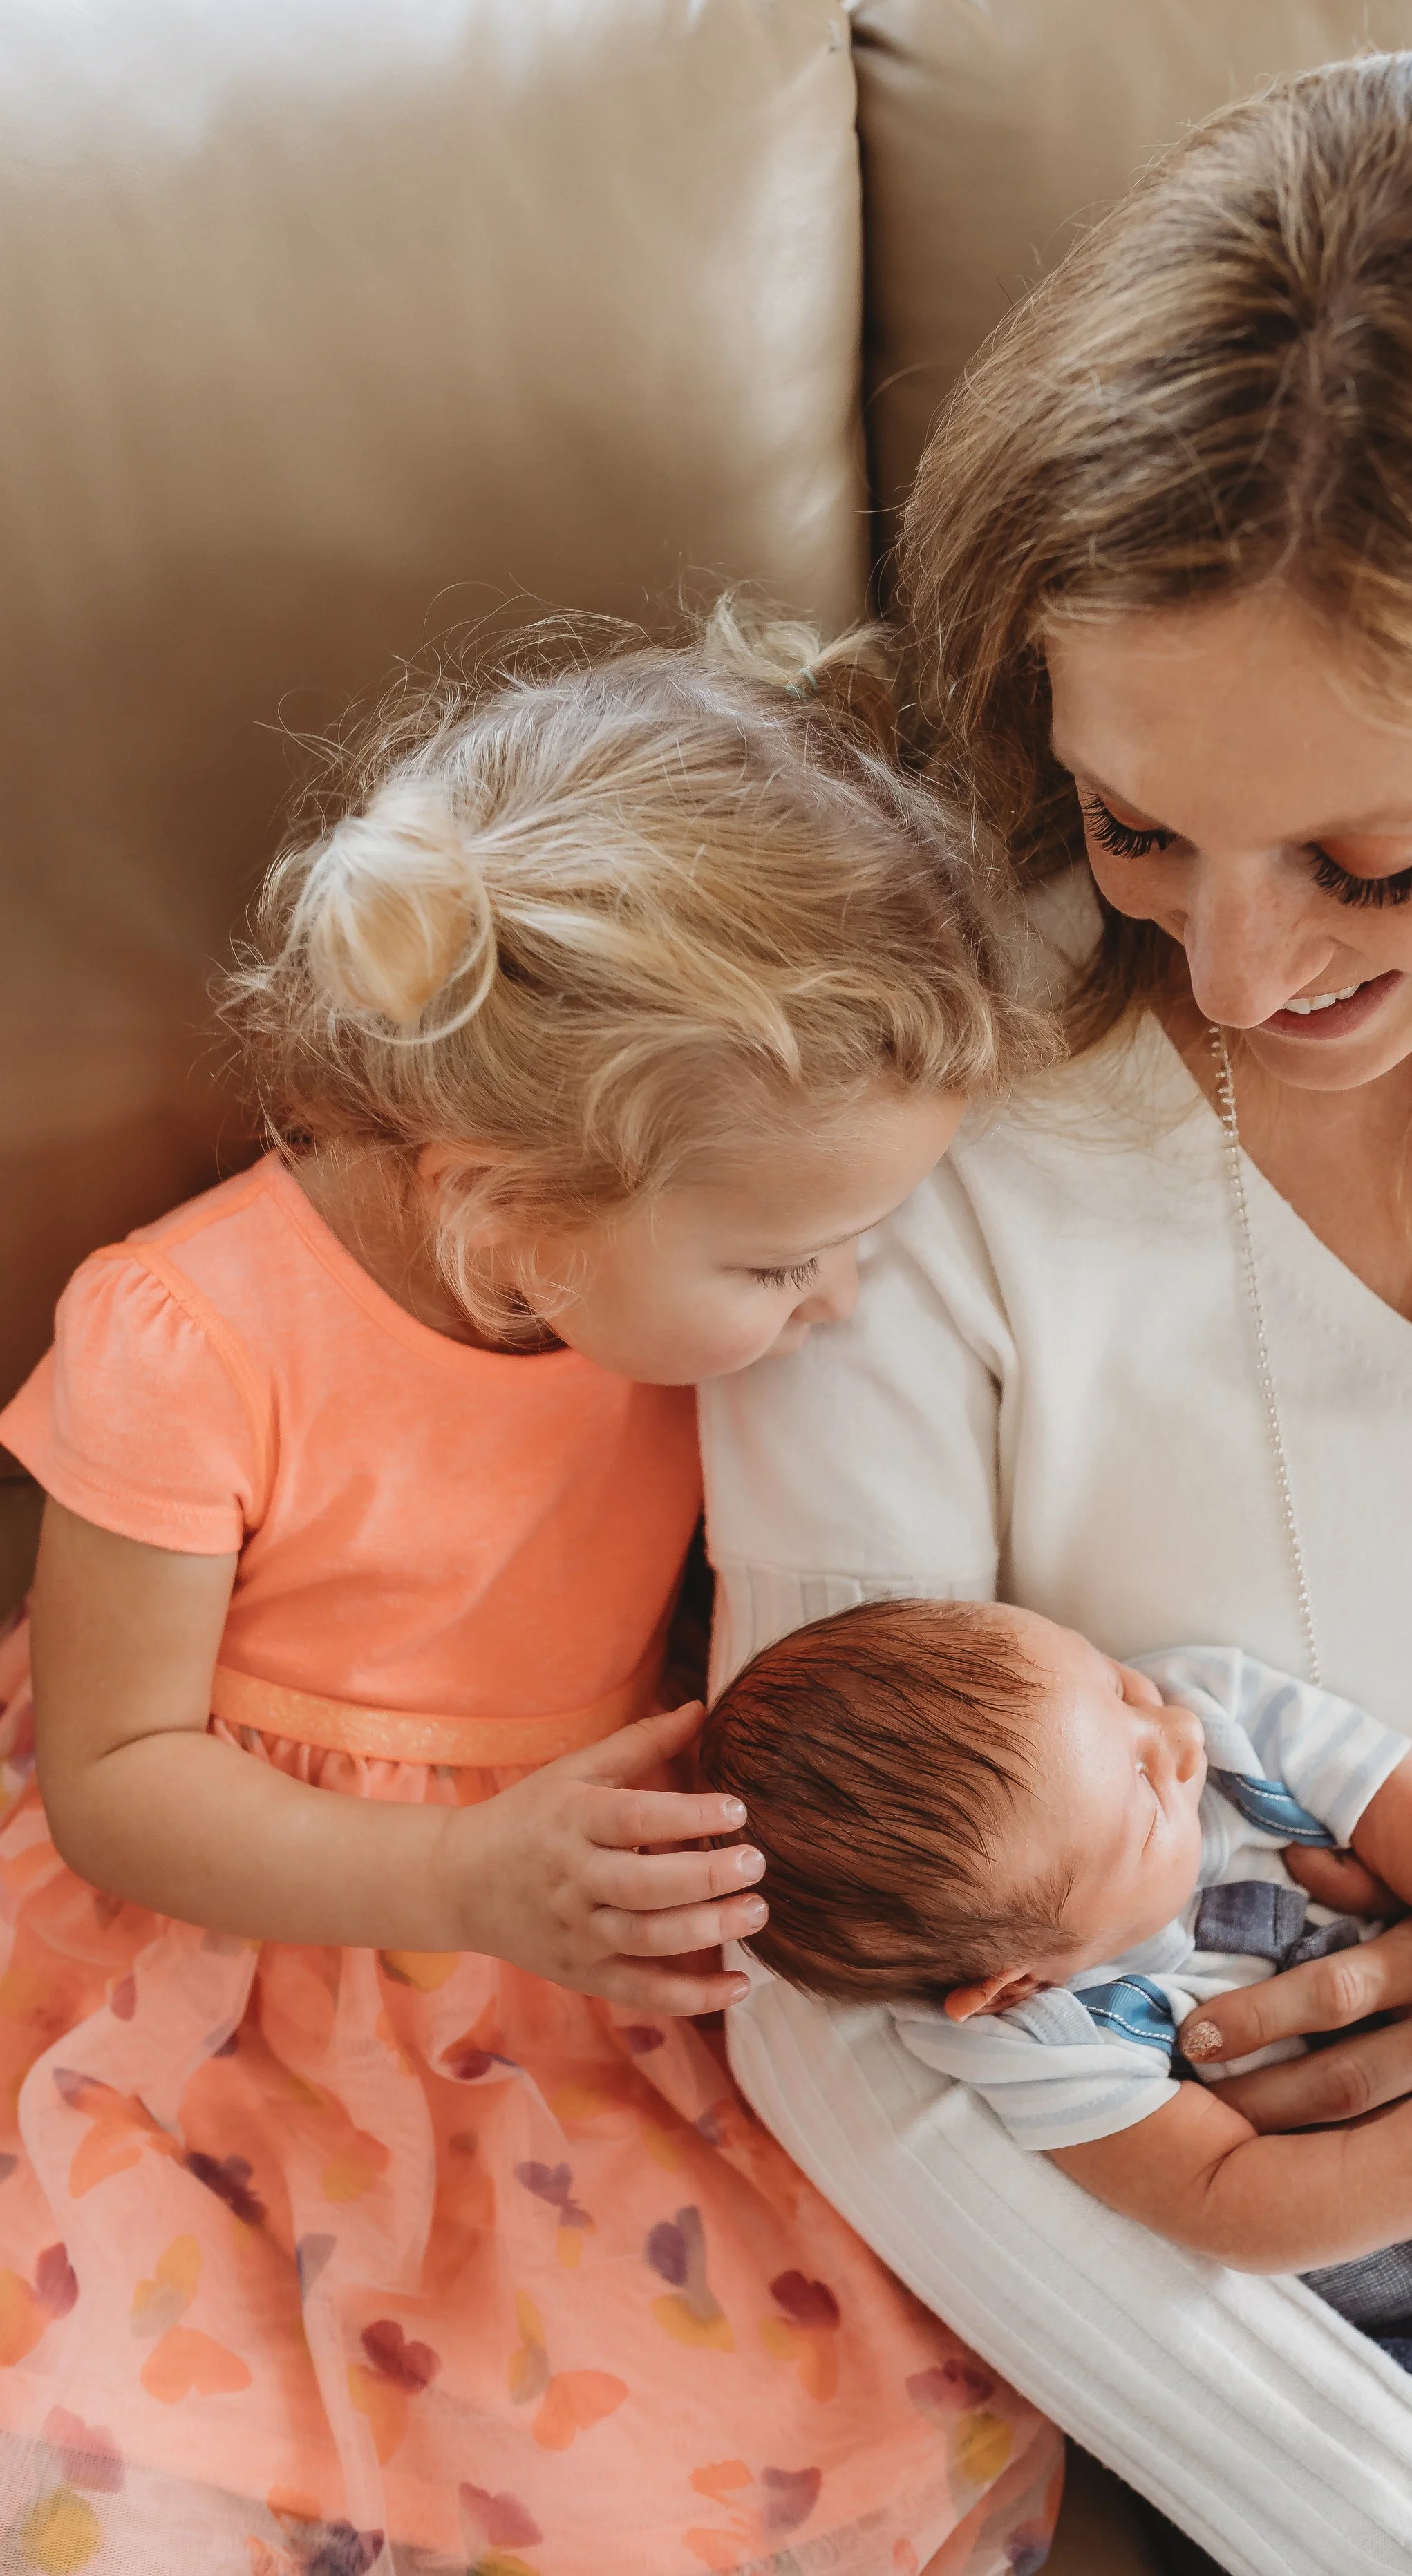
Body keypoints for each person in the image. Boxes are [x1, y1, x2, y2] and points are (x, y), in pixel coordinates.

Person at [697, 44, 1412, 2576]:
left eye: (1383, 860)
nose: (1246, 967)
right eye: (1143, 821)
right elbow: (834, 1989)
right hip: (1357, 2348)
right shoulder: (924, 1121)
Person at [0, 611, 1062, 2575]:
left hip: (562, 1947)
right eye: (786, 1262)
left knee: (690, 2421)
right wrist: (450, 1881)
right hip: (231, 1936)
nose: (838, 1305)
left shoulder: (680, 1303)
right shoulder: (186, 1335)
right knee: (156, 2415)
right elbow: (114, 1777)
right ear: (510, 1213)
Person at [704, 1598, 1412, 2568]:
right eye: (1147, 1796)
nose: (1179, 1735)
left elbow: (1404, 1800)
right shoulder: (1045, 2038)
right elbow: (1227, 2201)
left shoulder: (1194, 1707)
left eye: (1114, 1686)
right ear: (1016, 1980)